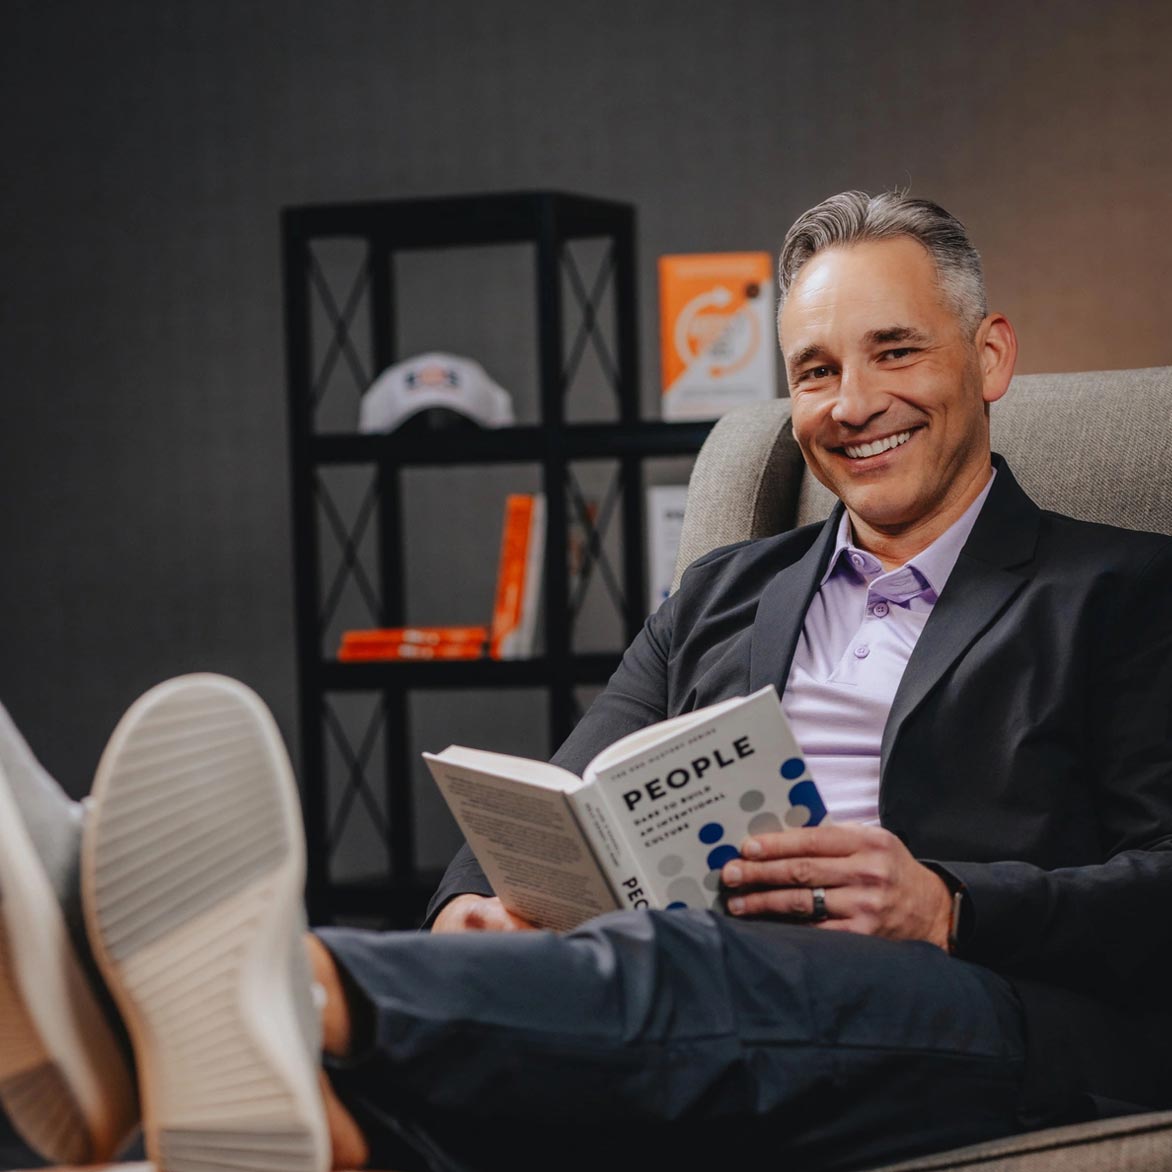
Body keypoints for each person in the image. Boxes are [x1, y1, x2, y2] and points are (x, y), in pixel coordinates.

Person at [1, 191, 1170, 1172]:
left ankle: (230, 981)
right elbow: (550, 794)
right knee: (555, 1021)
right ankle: (262, 1103)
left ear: (989, 353)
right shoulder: (722, 591)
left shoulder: (1122, 591)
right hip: (717, 999)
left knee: (687, 971)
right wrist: (475, 908)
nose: (851, 403)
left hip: (984, 1007)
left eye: (894, 350)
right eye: (814, 369)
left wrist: (948, 902)